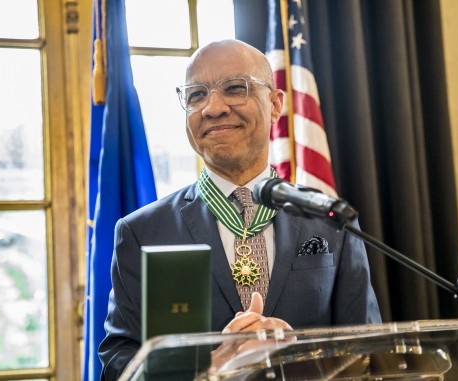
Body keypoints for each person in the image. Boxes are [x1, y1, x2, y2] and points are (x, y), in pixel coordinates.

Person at [98, 39, 381, 380]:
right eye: (196, 95)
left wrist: (298, 358)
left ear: (275, 104)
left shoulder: (330, 219)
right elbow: (118, 364)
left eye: (235, 88)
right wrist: (205, 372)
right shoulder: (141, 232)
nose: (213, 108)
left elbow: (367, 350)